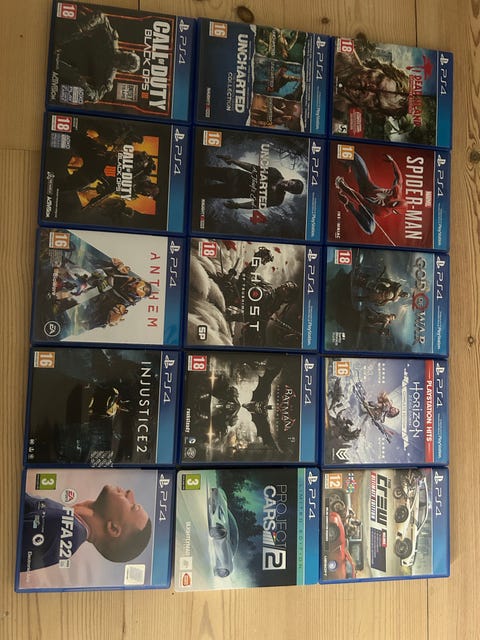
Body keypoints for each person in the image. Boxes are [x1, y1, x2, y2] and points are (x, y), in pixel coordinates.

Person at [21, 484, 152, 572]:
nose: (130, 493)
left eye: (133, 507)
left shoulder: (66, 530)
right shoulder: (69, 526)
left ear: (113, 528)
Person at [56, 9, 141, 103]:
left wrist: (82, 84)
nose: (120, 61)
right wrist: (83, 26)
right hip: (66, 36)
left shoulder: (107, 79)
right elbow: (101, 17)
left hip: (63, 63)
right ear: (126, 52)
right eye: (124, 58)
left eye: (124, 64)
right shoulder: (111, 39)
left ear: (124, 70)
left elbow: (95, 97)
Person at [335, 153, 408, 235]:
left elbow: (361, 201)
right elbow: (399, 177)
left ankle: (349, 206)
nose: (391, 201)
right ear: (398, 199)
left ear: (394, 211)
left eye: (393, 205)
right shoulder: (397, 192)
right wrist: (393, 161)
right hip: (367, 185)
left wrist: (343, 187)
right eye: (395, 201)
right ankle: (345, 162)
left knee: (370, 229)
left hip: (366, 203)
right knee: (354, 156)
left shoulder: (382, 212)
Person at [200, 154, 304, 210]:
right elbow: (252, 168)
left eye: (289, 188)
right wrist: (233, 161)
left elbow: (255, 204)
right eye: (289, 183)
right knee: (203, 171)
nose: (286, 185)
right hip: (234, 175)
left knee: (203, 191)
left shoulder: (277, 199)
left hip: (233, 191)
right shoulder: (275, 173)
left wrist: (238, 206)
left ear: (290, 192)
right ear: (291, 179)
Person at [333, 49, 410, 121]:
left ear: (375, 111)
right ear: (378, 67)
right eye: (378, 81)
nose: (368, 89)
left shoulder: (337, 118)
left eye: (375, 99)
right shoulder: (342, 52)